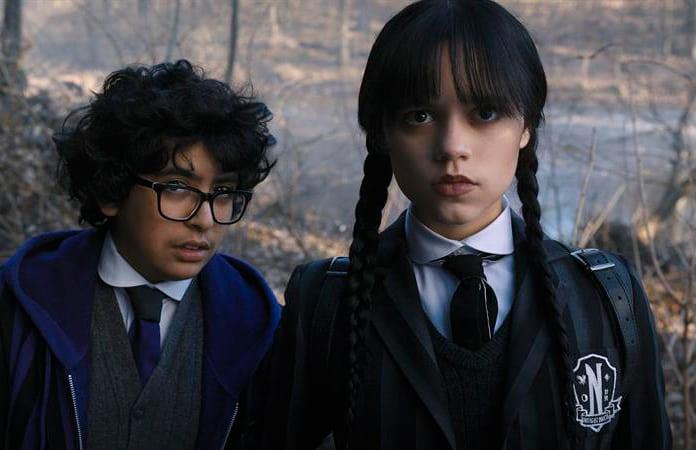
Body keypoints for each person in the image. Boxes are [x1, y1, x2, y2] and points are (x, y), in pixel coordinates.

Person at [246, 1, 672, 449]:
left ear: (526, 127)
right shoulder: (327, 301)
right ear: (382, 133)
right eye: (420, 116)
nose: (452, 146)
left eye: (484, 113)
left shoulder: (605, 296)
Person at [0, 60, 280, 450]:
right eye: (177, 188)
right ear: (111, 191)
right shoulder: (20, 306)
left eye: (223, 192)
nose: (204, 220)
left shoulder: (258, 324)